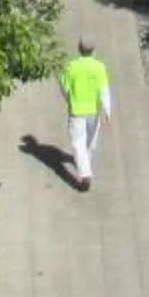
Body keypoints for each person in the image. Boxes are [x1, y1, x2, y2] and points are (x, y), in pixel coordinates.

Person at [58, 41, 114, 191]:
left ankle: (85, 172)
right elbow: (104, 90)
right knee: (91, 140)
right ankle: (85, 163)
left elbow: (63, 86)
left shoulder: (72, 67)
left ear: (79, 49)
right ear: (93, 50)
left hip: (76, 110)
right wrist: (108, 110)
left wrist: (68, 99)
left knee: (78, 142)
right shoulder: (99, 67)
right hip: (93, 111)